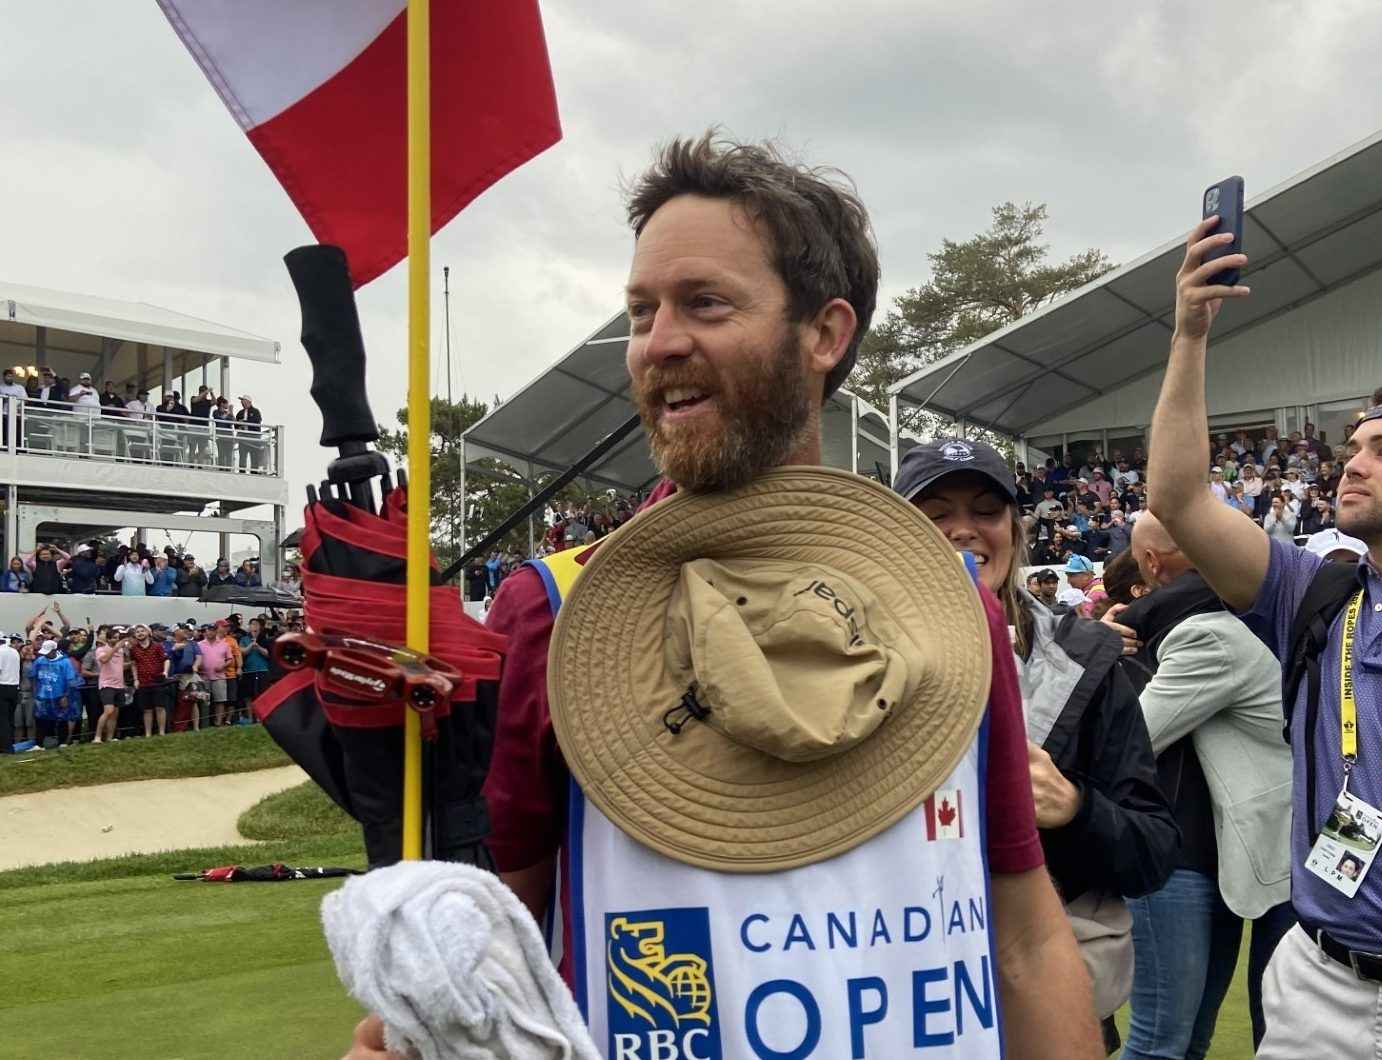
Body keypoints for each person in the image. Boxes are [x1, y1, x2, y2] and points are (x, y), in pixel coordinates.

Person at [346, 134, 1102, 1060]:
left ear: (824, 335)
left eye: (705, 303)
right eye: (640, 312)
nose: (658, 343)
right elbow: (493, 963)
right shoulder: (552, 611)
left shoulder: (952, 604)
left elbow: (1022, 941)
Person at [1147, 213, 1382, 1057]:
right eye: (1351, 448)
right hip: (1316, 987)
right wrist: (1190, 333)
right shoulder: (1315, 592)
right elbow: (1181, 499)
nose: (1353, 462)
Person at [893, 437, 1179, 1048]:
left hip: (1048, 995)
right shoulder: (841, 663)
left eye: (985, 512)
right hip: (899, 994)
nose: (962, 530)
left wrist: (1075, 808)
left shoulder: (1089, 663)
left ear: (1015, 531)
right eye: (934, 512)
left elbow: (1153, 850)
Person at [1104, 514, 1295, 1056]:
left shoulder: (1207, 632)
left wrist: (1109, 641)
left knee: (1183, 1040)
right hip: (1183, 860)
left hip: (1219, 857)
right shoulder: (1252, 621)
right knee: (1168, 1041)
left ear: (1150, 564)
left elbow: (1134, 739)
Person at [127, 624, 170, 738]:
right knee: (147, 709)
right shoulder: (134, 650)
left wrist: (165, 672)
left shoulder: (157, 646)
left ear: (147, 632)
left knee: (160, 707)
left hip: (157, 680)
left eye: (142, 631)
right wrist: (135, 679)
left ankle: (161, 732)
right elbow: (133, 664)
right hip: (143, 682)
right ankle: (148, 733)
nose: (140, 633)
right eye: (137, 632)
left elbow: (166, 660)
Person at [92, 626, 129, 743]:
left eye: (118, 638)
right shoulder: (101, 650)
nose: (117, 640)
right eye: (114, 638)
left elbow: (119, 667)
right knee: (108, 711)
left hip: (119, 685)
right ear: (108, 639)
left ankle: (109, 737)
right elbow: (104, 660)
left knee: (115, 714)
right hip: (106, 684)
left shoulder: (121, 651)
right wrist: (114, 649)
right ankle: (97, 737)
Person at [0, 632, 18, 753]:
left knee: (3, 719)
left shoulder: (1, 652)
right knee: (10, 718)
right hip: (14, 687)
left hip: (3, 686)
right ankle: (9, 744)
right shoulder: (14, 652)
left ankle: (5, 747)